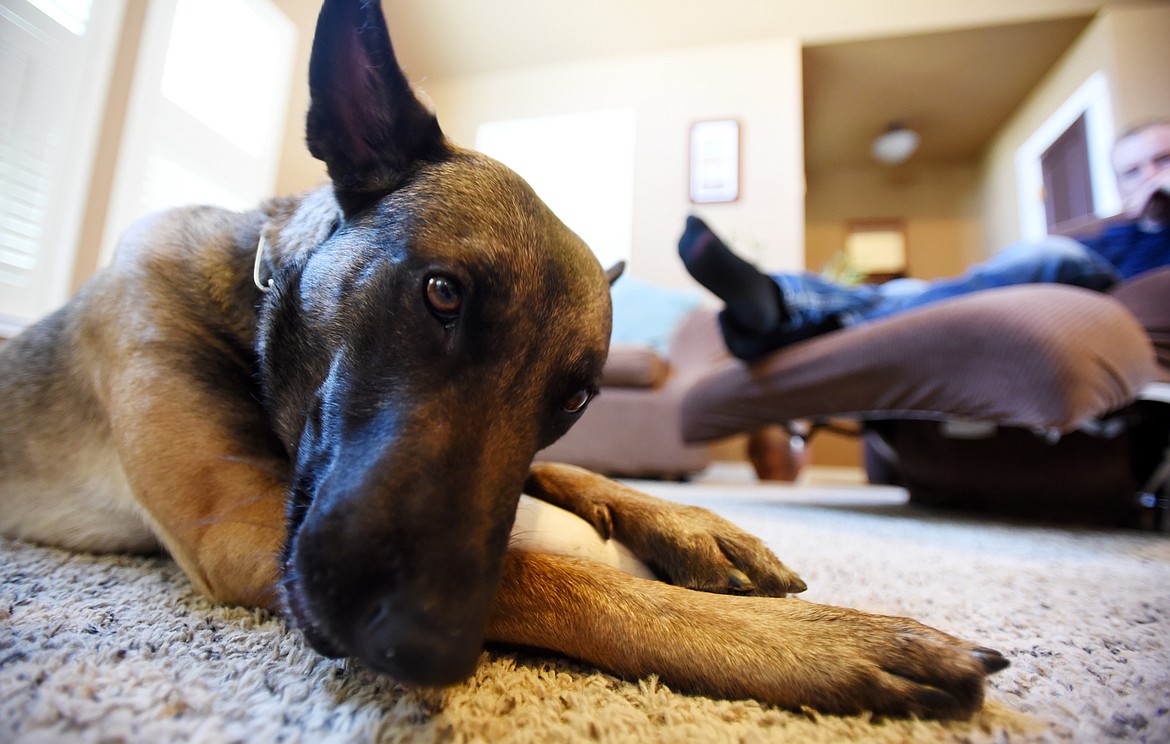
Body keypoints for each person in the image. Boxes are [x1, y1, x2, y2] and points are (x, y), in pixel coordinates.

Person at [680, 119, 1170, 361]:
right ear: (1120, 185)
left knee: (1051, 252)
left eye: (1162, 161)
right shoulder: (1114, 232)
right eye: (1133, 170)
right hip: (1043, 284)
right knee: (899, 293)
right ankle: (775, 300)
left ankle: (778, 307)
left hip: (1090, 287)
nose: (1149, 177)